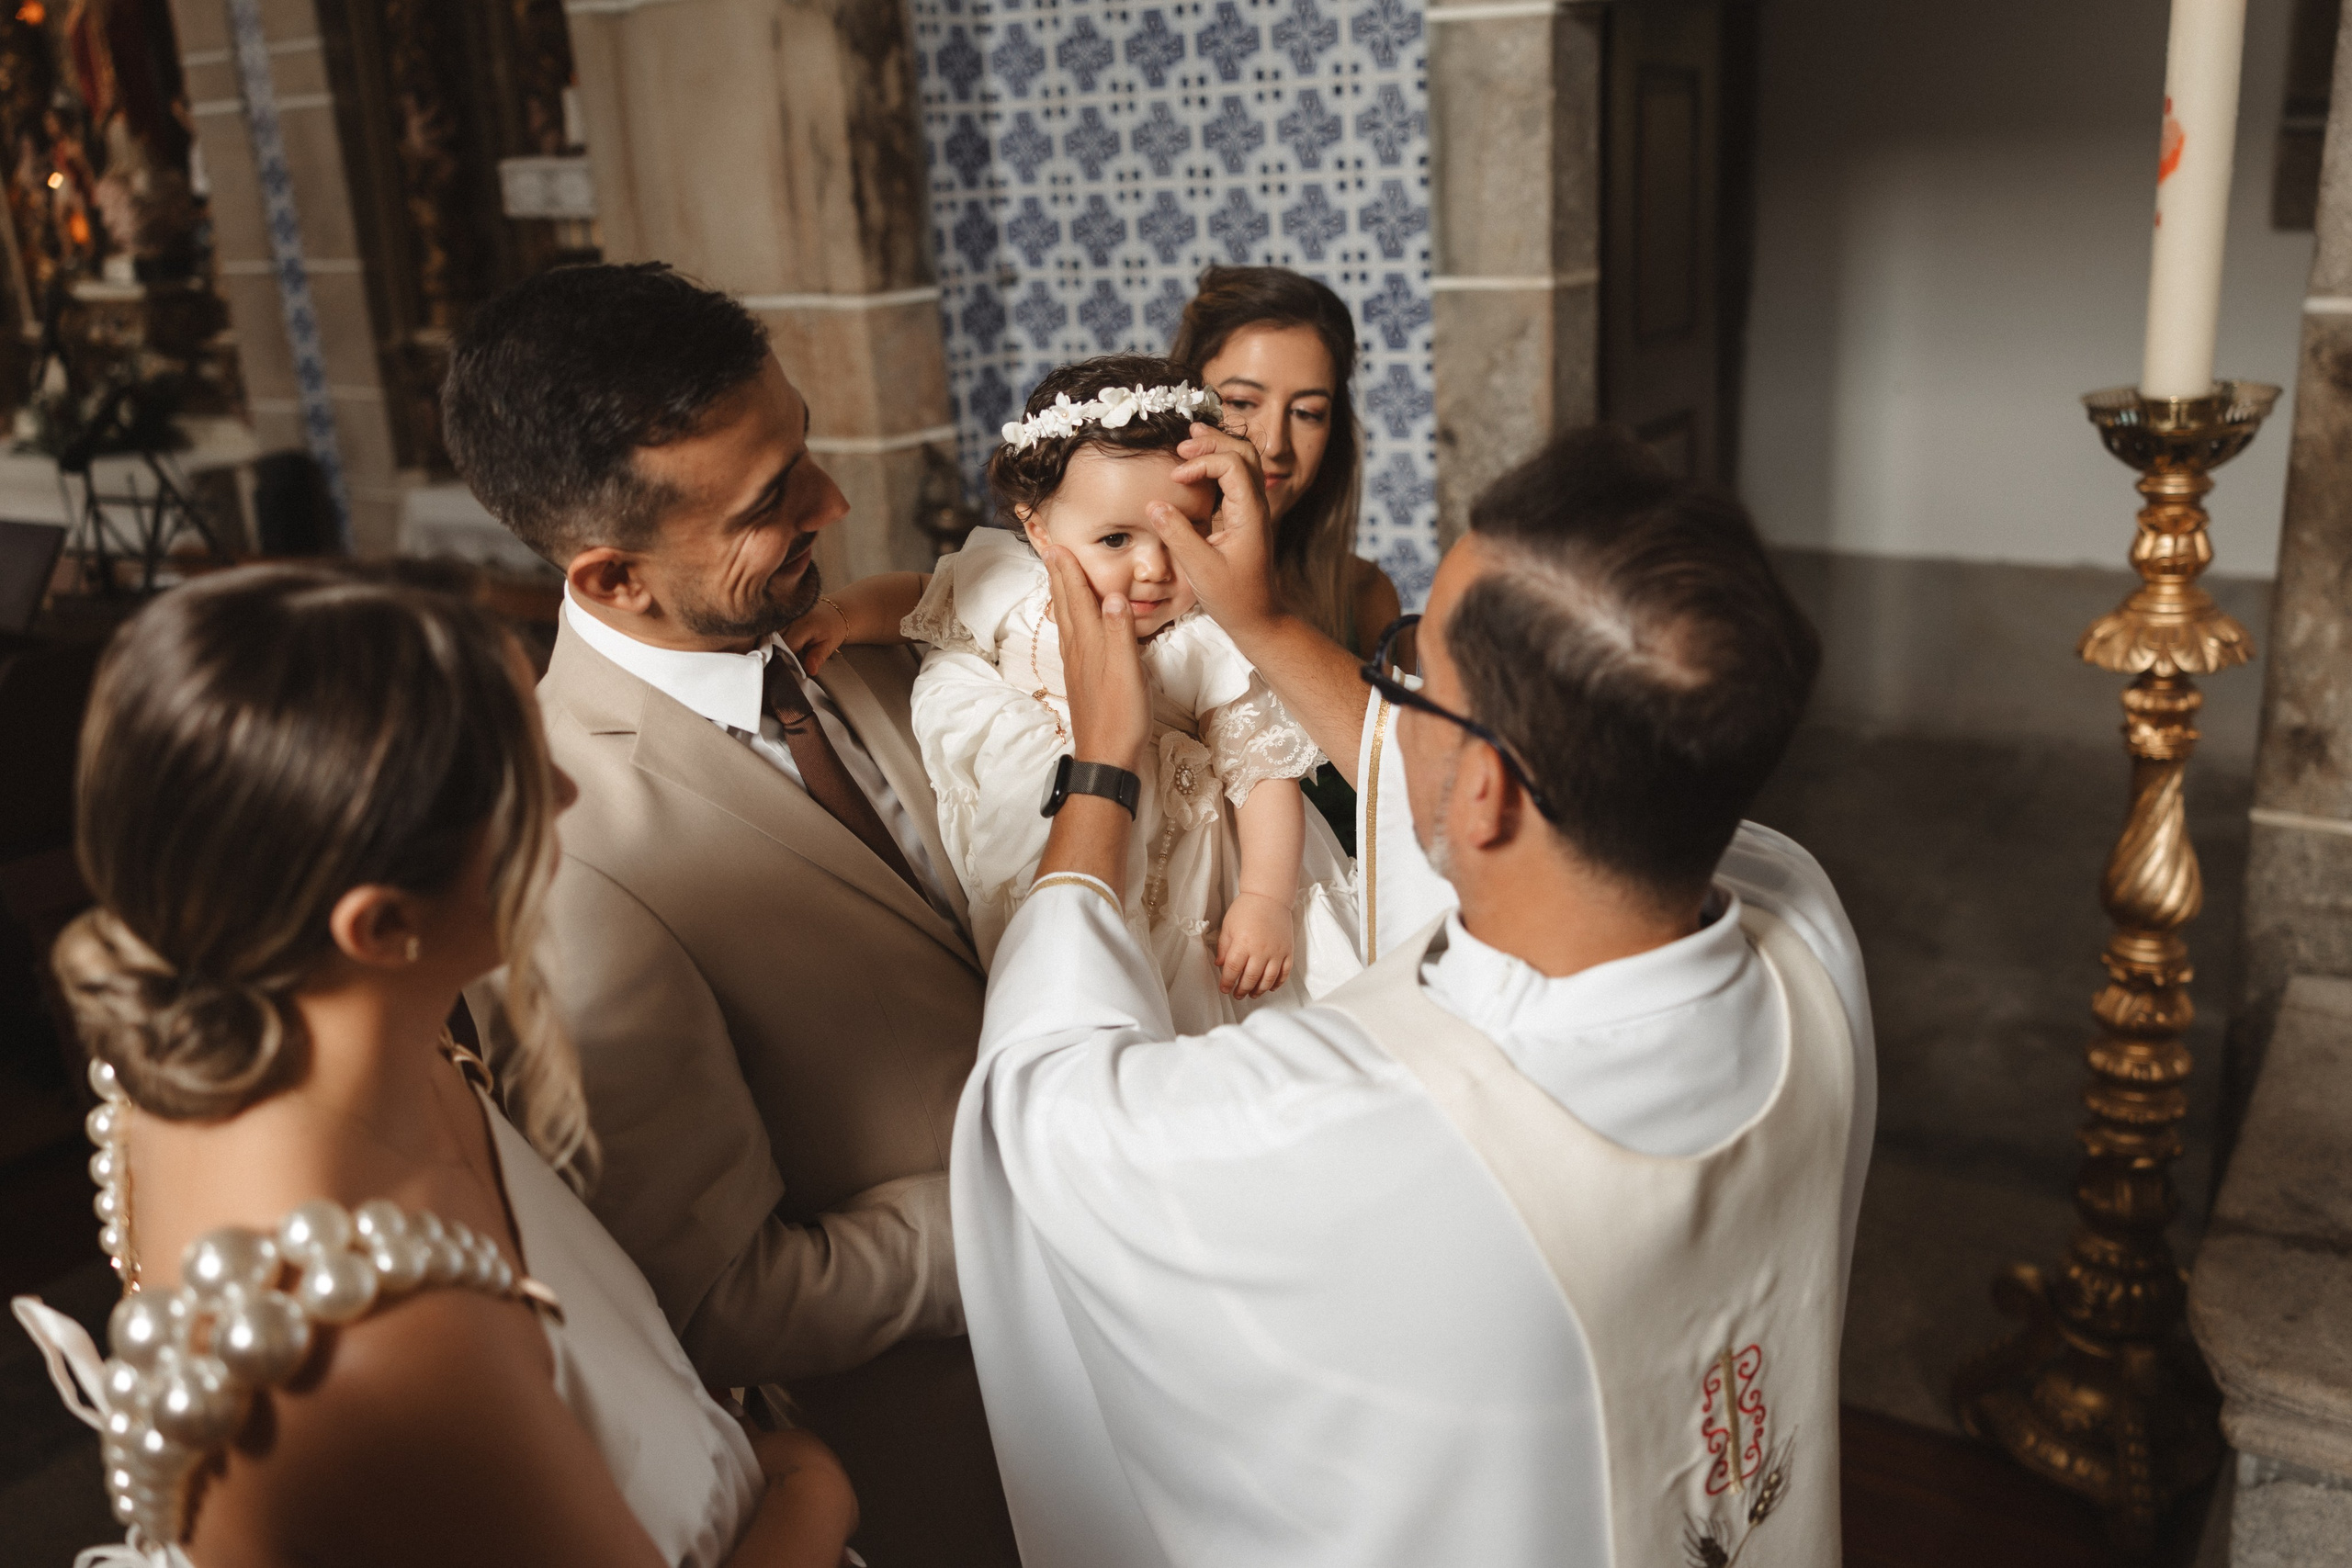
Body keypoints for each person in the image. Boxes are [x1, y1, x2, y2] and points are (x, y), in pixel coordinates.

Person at [954, 424, 1877, 1566]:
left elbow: (1042, 1104)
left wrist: (1105, 767)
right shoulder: (1810, 935)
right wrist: (1264, 623)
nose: (1384, 704)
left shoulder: (1354, 1113)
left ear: (1487, 789)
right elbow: (1443, 787)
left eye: (1406, 672)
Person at [10, 565, 854, 1568]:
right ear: (382, 924)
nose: (567, 792)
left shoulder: (229, 1032)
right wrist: (809, 1487)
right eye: (517, 785)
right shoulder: (395, 1342)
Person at [440, 264, 1016, 1567]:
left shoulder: (865, 641)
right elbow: (722, 1296)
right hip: (959, 1468)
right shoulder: (572, 855)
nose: (834, 502)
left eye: (802, 447)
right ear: (614, 575)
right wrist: (1040, 1196)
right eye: (772, 504)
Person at [803, 355, 1359, 1030]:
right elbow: (918, 597)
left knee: (1173, 1012)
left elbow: (1265, 774)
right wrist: (838, 615)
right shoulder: (1009, 586)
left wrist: (1265, 899)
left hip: (1183, 890)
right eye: (1116, 539)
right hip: (1045, 851)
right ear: (1038, 528)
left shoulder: (1203, 641)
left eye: (1184, 533)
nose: (1153, 569)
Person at [1170, 265, 1408, 852]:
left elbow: (1416, 792)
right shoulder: (1138, 584)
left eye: (1307, 412)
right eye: (1241, 402)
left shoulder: (1363, 593)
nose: (1272, 443)